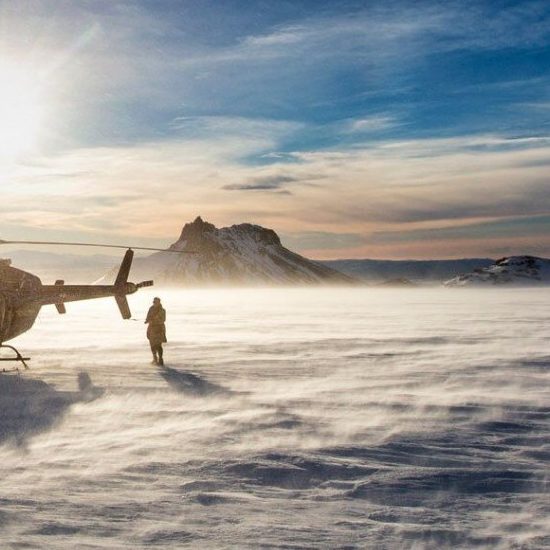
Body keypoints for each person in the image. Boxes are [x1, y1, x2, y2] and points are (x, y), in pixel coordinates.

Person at [145, 297, 167, 365]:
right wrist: (147, 320)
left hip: (159, 328)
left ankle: (160, 359)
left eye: (155, 302)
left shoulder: (162, 310)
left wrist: (154, 320)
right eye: (153, 302)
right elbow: (148, 317)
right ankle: (155, 358)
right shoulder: (151, 308)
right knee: (152, 344)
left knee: (158, 345)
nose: (154, 303)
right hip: (151, 328)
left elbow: (163, 320)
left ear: (159, 302)